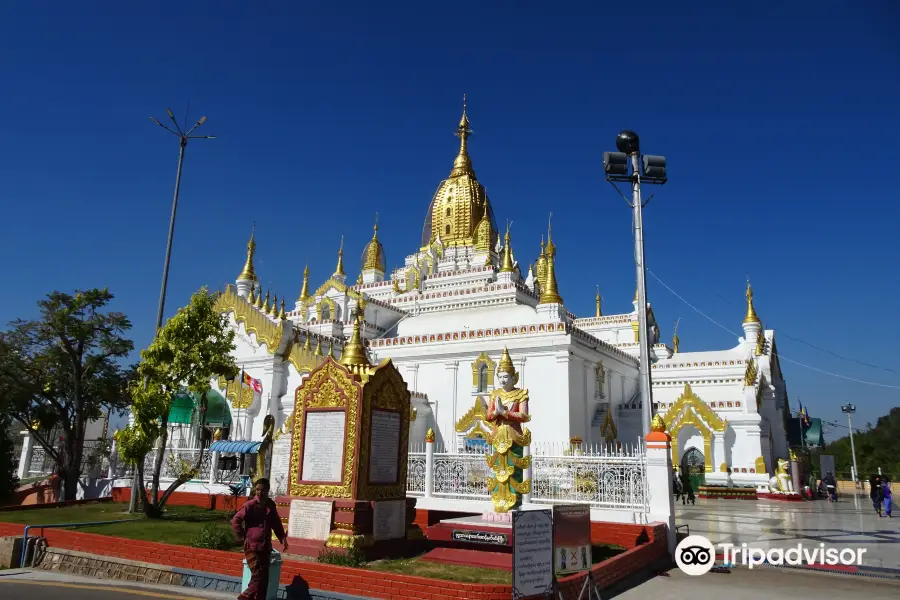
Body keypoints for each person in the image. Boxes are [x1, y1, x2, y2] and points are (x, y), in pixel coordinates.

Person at [231, 478, 288, 600]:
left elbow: (276, 523)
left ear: (267, 490)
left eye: (262, 490)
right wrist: (241, 537)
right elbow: (236, 520)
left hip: (265, 547)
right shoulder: (249, 506)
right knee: (257, 576)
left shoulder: (270, 505)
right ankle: (243, 598)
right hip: (251, 546)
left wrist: (282, 538)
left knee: (264, 580)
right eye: (257, 489)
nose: (259, 492)